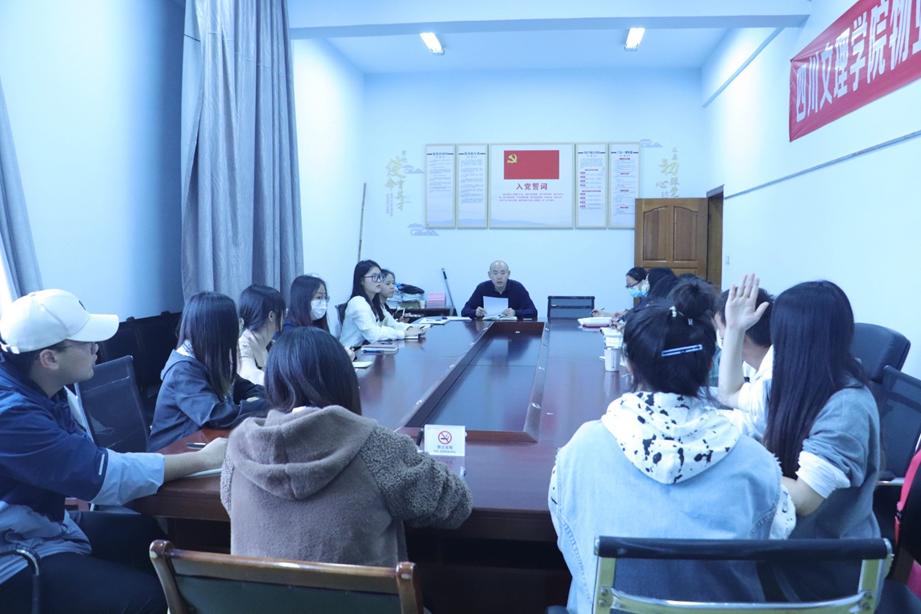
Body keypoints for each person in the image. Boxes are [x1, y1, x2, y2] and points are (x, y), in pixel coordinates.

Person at [549, 278, 793, 613]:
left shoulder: (582, 449)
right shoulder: (755, 461)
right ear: (709, 364)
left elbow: (566, 535)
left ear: (630, 364)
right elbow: (771, 542)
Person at [0, 289, 226, 614]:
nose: (97, 348)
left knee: (147, 538)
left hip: (39, 523)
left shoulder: (41, 385)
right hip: (11, 551)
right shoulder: (11, 416)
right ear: (49, 359)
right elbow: (101, 476)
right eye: (86, 342)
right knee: (147, 599)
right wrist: (205, 459)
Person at [220, 326, 472, 566]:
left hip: (260, 595)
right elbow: (456, 505)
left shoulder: (239, 450)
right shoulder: (377, 447)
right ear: (345, 381)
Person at [720, 275, 879, 600]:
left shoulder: (846, 407)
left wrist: (741, 457)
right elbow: (730, 393)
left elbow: (804, 499)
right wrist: (734, 330)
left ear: (795, 341)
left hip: (821, 565)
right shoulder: (798, 384)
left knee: (706, 578)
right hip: (786, 540)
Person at [149, 292, 267, 451]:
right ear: (219, 331)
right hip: (174, 453)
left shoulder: (208, 358)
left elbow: (245, 388)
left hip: (199, 443)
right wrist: (263, 405)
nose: (239, 328)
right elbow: (216, 416)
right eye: (235, 324)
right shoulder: (181, 371)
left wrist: (267, 397)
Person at [715, 287, 774, 437]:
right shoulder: (750, 364)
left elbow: (745, 427)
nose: (719, 338)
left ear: (741, 336)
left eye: (722, 335)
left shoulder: (771, 380)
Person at [339, 260, 423, 348]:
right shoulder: (357, 303)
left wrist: (415, 328)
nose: (379, 281)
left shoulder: (375, 303)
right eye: (374, 277)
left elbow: (393, 325)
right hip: (351, 353)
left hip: (366, 350)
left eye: (380, 277)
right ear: (361, 281)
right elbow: (373, 335)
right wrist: (404, 333)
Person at [237, 284, 285, 386]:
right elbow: (249, 376)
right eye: (282, 312)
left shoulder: (272, 344)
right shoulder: (242, 346)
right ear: (271, 316)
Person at [461, 260, 537, 319]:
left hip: (512, 329)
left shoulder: (518, 288)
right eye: (495, 273)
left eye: (503, 273)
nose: (499, 277)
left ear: (508, 274)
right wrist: (475, 312)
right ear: (489, 275)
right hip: (487, 329)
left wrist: (515, 312)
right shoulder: (482, 288)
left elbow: (533, 311)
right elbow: (464, 311)